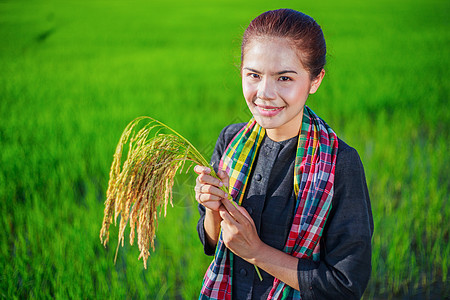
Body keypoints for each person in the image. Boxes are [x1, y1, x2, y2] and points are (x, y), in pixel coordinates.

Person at [194, 9, 373, 300]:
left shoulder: (341, 163)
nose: (264, 93)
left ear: (315, 81)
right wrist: (213, 209)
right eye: (254, 75)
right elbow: (212, 242)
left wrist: (258, 253)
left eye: (285, 78)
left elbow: (345, 284)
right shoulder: (230, 141)